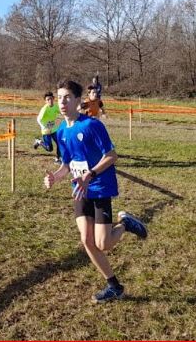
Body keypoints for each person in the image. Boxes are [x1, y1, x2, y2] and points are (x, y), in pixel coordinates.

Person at [44, 79, 147, 304]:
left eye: (67, 97)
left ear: (78, 101)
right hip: (80, 191)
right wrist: (55, 176)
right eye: (60, 98)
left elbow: (111, 156)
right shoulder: (61, 131)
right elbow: (67, 164)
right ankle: (115, 287)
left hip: (99, 187)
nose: (62, 102)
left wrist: (89, 174)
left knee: (104, 244)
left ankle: (125, 224)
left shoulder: (92, 125)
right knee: (87, 240)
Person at [33, 91, 61, 163]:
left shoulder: (55, 106)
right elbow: (38, 119)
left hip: (54, 129)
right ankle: (39, 141)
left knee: (60, 143)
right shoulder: (44, 109)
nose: (50, 101)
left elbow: (61, 112)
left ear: (53, 99)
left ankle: (57, 159)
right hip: (46, 131)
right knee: (49, 149)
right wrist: (43, 127)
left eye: (51, 99)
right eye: (48, 99)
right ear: (45, 101)